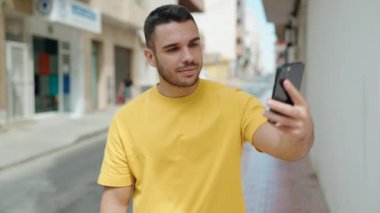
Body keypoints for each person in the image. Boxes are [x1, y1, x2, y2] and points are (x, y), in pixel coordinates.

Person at [98, 4, 314, 213]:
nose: (188, 57)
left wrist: (303, 131)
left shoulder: (237, 104)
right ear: (150, 57)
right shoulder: (126, 120)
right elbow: (116, 201)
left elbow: (291, 150)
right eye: (173, 49)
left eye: (193, 44)